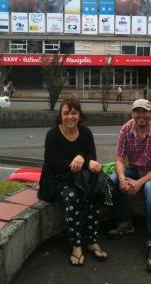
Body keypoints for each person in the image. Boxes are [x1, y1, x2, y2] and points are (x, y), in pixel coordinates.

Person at [38, 98, 108, 266]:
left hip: (78, 179)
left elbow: (92, 158)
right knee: (72, 195)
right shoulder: (53, 134)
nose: (70, 117)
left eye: (74, 113)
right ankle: (76, 244)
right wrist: (80, 161)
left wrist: (82, 157)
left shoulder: (86, 133)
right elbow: (55, 165)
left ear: (79, 115)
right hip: (56, 180)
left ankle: (91, 239)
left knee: (96, 191)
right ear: (60, 115)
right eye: (66, 113)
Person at [108, 99, 151, 272]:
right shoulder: (126, 130)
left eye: (144, 111)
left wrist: (140, 183)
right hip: (134, 169)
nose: (141, 115)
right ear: (132, 113)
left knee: (149, 188)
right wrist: (122, 178)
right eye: (137, 111)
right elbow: (119, 159)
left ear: (150, 113)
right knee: (111, 180)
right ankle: (123, 223)